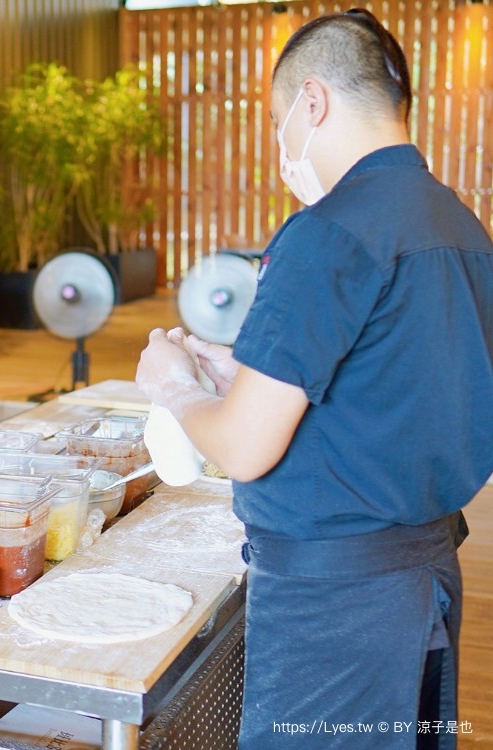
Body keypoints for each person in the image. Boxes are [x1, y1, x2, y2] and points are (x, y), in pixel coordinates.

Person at [136, 9, 492, 750]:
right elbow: (404, 381)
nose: (280, 143)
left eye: (277, 120)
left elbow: (241, 448)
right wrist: (247, 372)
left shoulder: (329, 231)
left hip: (338, 609)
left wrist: (176, 385)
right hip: (425, 585)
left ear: (315, 102)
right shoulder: (461, 225)